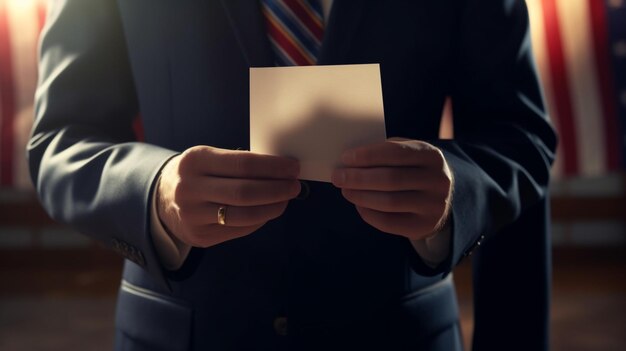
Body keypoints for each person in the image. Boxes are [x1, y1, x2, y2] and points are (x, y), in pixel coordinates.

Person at [28, 0, 557, 350]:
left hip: (399, 330)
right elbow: (60, 139)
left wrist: (455, 191)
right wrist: (155, 193)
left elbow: (518, 136)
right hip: (181, 332)